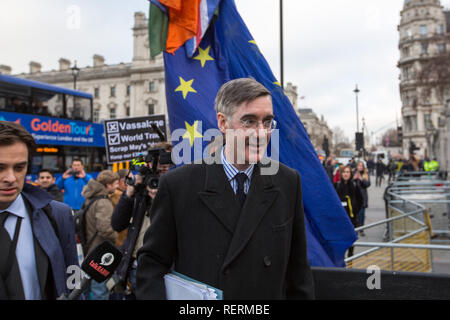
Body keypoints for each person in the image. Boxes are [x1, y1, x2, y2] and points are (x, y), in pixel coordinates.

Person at [136, 78, 314, 300]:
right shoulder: (178, 185)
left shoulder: (288, 182)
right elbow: (151, 265)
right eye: (249, 121)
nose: (261, 133)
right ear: (223, 123)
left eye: (267, 122)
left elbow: (298, 273)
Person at [0, 121, 79, 300]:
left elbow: (73, 280)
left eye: (19, 167)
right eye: (0, 168)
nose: (11, 178)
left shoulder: (59, 215)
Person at [111, 142, 173, 299]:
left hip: (164, 268)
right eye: (159, 163)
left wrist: (160, 201)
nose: (163, 167)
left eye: (167, 163)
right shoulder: (141, 188)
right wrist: (129, 193)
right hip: (134, 265)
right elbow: (117, 224)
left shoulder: (177, 187)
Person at [81, 170, 119, 300]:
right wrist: (116, 239)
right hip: (100, 252)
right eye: (115, 183)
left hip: (89, 249)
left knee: (87, 288)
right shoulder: (103, 202)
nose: (117, 185)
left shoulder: (91, 197)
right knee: (100, 291)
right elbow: (105, 228)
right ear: (108, 185)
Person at [334, 165, 363, 257]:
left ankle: (350, 256)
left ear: (350, 174)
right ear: (341, 174)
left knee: (351, 239)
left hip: (351, 217)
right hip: (340, 218)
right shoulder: (336, 185)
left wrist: (355, 210)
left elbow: (360, 200)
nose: (346, 174)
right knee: (340, 239)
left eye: (348, 172)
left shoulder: (355, 186)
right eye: (344, 172)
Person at [353, 161, 370, 237]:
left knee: (362, 214)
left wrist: (361, 179)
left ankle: (361, 229)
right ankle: (355, 229)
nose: (360, 167)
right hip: (354, 196)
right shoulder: (353, 173)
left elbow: (367, 184)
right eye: (359, 166)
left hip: (362, 197)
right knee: (355, 214)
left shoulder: (365, 174)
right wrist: (354, 178)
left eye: (361, 166)